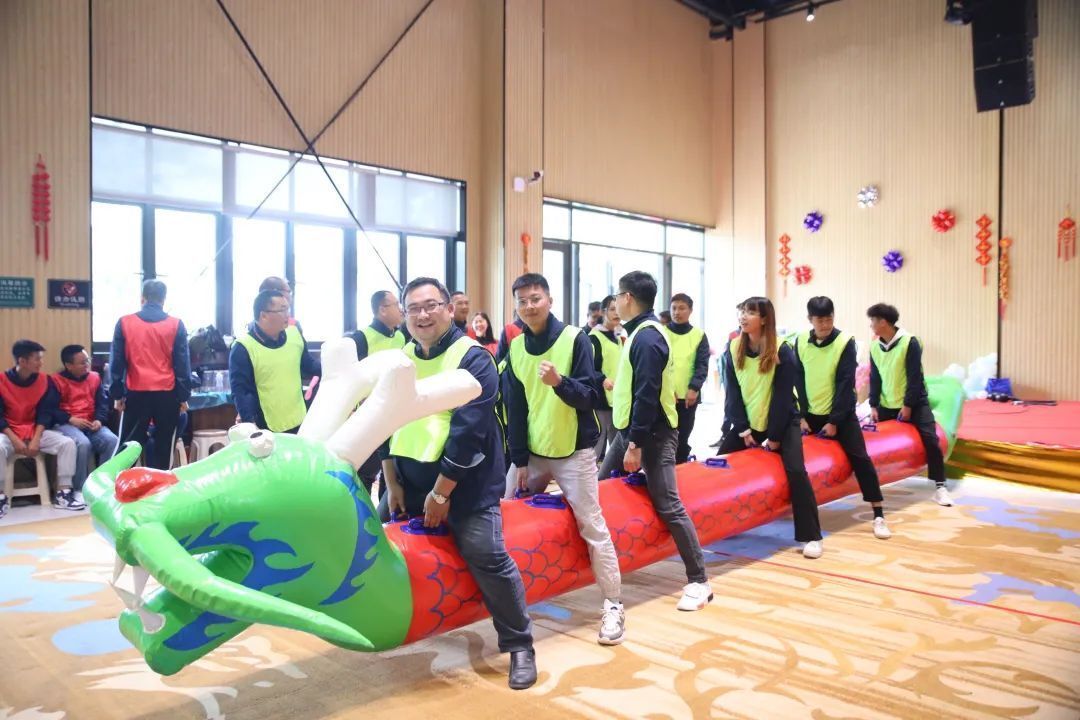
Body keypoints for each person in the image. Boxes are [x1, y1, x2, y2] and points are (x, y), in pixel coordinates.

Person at [380, 277, 537, 690]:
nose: (423, 315)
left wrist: (440, 493)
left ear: (450, 309)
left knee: (487, 554)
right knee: (372, 538)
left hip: (465, 484)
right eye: (414, 308)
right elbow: (382, 421)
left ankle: (519, 644)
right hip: (409, 480)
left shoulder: (474, 358)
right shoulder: (400, 359)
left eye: (431, 305)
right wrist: (391, 483)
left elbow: (468, 434)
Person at [503, 273, 624, 645]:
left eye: (535, 298)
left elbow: (590, 396)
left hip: (575, 453)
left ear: (549, 300)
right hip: (533, 454)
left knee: (593, 525)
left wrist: (560, 383)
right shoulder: (516, 347)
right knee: (503, 518)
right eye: (522, 301)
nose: (529, 306)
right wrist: (519, 459)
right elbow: (515, 407)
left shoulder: (575, 338)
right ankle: (509, 603)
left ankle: (614, 604)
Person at [598, 271, 712, 612]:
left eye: (617, 296)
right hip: (629, 431)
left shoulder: (647, 338)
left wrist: (635, 445)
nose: (615, 302)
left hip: (652, 435)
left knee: (669, 504)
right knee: (600, 490)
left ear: (628, 298)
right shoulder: (637, 333)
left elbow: (647, 394)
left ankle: (699, 581)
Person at [714, 297, 824, 559]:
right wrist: (743, 430)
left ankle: (811, 535)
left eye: (751, 312)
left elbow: (783, 398)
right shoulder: (733, 347)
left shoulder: (782, 350)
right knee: (719, 465)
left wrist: (773, 437)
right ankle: (726, 523)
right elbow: (732, 394)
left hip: (783, 421)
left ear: (764, 319)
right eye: (742, 311)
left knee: (796, 470)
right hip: (748, 423)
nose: (743, 316)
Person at [794, 297, 889, 539]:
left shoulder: (845, 342)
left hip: (841, 414)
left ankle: (878, 514)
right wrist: (801, 416)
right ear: (810, 320)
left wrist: (834, 421)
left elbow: (846, 383)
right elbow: (798, 380)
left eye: (829, 319)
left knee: (860, 457)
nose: (825, 325)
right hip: (810, 415)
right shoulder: (800, 341)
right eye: (820, 320)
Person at [866, 303, 951, 506]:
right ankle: (873, 486)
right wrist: (874, 405)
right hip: (887, 404)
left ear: (883, 322)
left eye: (873, 321)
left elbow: (915, 377)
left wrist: (908, 406)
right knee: (872, 441)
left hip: (914, 403)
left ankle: (940, 487)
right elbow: (874, 377)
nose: (871, 325)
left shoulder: (909, 342)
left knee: (931, 439)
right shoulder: (874, 346)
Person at [109, 279, 190, 471]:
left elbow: (117, 362)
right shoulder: (176, 324)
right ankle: (160, 487)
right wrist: (183, 396)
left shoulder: (124, 322)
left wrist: (117, 394)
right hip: (167, 395)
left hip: (136, 393)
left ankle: (118, 484)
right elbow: (182, 365)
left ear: (142, 298)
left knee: (127, 446)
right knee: (164, 447)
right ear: (164, 299)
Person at [0, 340, 82, 515]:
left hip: (35, 430)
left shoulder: (45, 381)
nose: (41, 363)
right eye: (37, 359)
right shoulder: (1, 381)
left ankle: (64, 493)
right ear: (22, 361)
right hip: (9, 432)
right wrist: (14, 440)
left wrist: (36, 439)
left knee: (67, 444)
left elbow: (45, 413)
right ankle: (1, 496)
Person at [230, 289, 320, 434]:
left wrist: (334, 367)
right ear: (264, 315)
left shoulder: (294, 334)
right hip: (265, 426)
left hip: (299, 420)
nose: (287, 315)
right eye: (282, 310)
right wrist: (250, 425)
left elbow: (308, 365)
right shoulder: (243, 347)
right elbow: (241, 392)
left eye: (288, 309)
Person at [347, 290, 406, 494]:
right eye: (396, 304)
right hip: (368, 415)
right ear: (382, 310)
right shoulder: (361, 338)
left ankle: (386, 507)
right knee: (366, 471)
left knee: (391, 470)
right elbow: (352, 378)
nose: (401, 309)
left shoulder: (400, 336)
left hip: (395, 411)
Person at [51, 344, 119, 491]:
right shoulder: (55, 381)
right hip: (66, 423)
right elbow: (50, 409)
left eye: (87, 360)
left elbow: (102, 403)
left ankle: (102, 485)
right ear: (69, 365)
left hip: (91, 423)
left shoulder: (95, 378)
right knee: (82, 444)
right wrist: (70, 419)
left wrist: (99, 420)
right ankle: (79, 489)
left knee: (112, 440)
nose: (87, 365)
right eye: (82, 363)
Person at [666, 293, 710, 464]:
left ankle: (680, 468)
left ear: (690, 310)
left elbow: (702, 364)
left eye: (682, 308)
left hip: (688, 398)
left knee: (682, 437)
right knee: (665, 437)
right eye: (674, 308)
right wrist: (666, 390)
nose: (677, 312)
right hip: (666, 397)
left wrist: (694, 388)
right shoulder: (662, 333)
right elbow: (658, 365)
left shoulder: (699, 335)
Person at [589, 295, 621, 462]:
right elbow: (589, 367)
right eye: (612, 309)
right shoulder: (594, 337)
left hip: (618, 398)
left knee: (616, 443)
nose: (617, 313)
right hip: (601, 398)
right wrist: (602, 379)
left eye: (618, 309)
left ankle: (613, 474)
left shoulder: (618, 337)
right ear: (603, 312)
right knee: (598, 440)